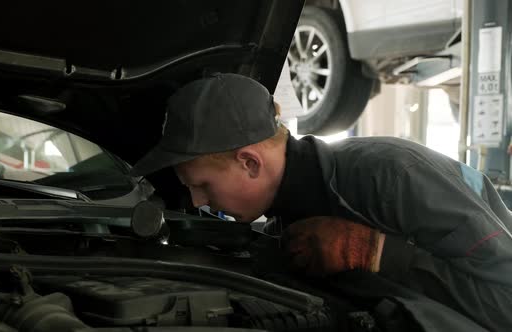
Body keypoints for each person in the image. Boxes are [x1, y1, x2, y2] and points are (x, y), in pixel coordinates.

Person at [131, 73, 512, 331]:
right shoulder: (285, 219)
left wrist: (375, 254)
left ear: (249, 162)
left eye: (202, 185)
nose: (198, 201)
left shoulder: (393, 177)